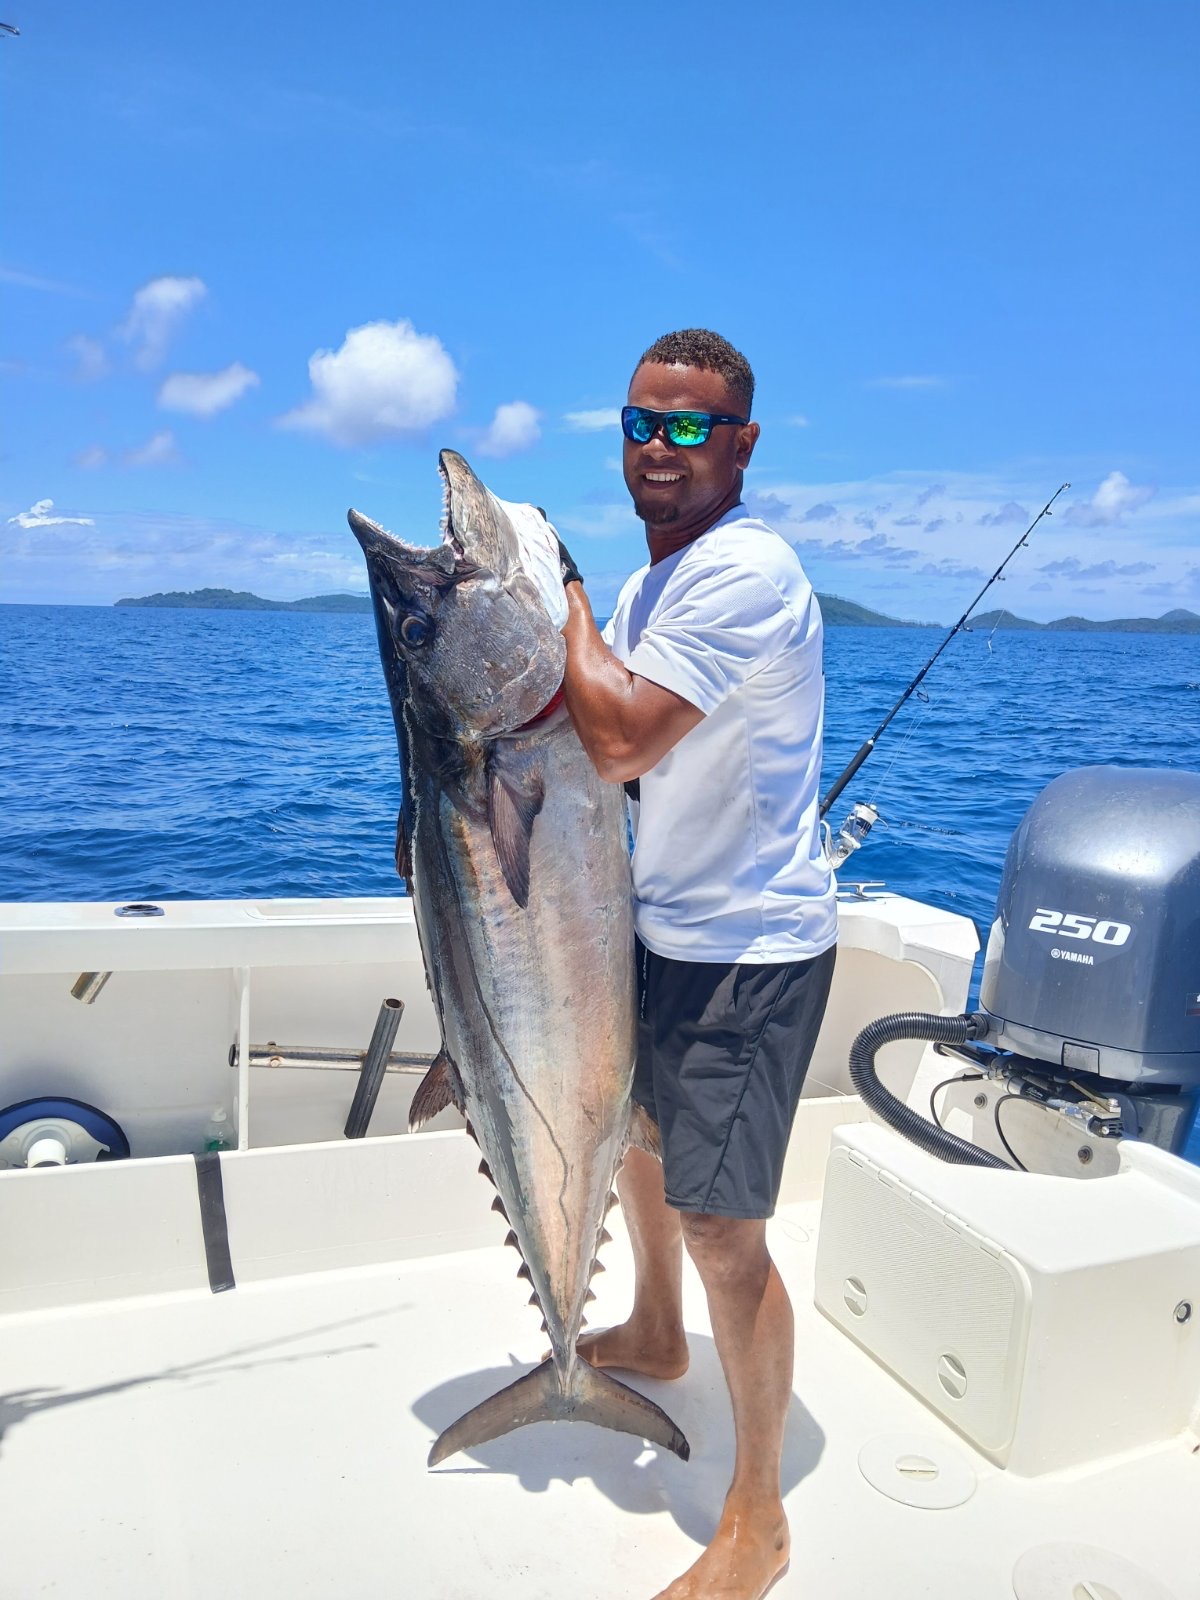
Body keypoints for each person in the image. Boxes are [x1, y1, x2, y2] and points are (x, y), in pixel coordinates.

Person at [558, 328, 837, 1600]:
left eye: (688, 426)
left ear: (742, 442)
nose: (659, 448)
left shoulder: (743, 571)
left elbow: (617, 740)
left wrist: (555, 593)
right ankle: (659, 1331)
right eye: (641, 423)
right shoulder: (653, 588)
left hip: (747, 950)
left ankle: (758, 1518)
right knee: (640, 1141)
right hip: (664, 927)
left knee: (726, 1226)